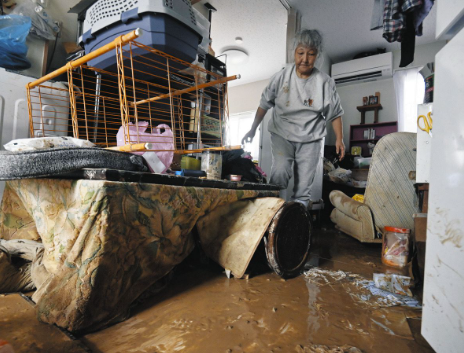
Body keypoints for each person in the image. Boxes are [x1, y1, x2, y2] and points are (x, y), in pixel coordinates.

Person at [242, 29, 345, 208]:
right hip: (282, 132)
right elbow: (264, 104)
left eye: (311, 54)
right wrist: (252, 129)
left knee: (304, 184)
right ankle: (272, 214)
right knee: (280, 171)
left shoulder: (324, 82)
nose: (305, 59)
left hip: (311, 138)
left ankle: (298, 224)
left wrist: (339, 139)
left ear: (317, 55)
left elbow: (335, 113)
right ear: (294, 53)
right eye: (300, 53)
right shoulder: (281, 77)